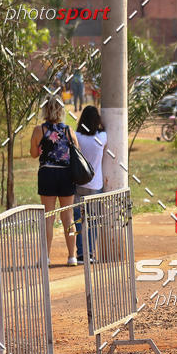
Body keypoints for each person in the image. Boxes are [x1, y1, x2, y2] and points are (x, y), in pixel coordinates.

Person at [30, 97, 79, 265]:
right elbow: (77, 152)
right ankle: (72, 256)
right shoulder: (68, 131)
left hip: (47, 174)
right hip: (66, 175)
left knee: (48, 217)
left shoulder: (39, 130)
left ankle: (45, 257)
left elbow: (34, 153)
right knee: (68, 216)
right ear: (61, 111)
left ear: (45, 110)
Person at [73, 105, 107, 263]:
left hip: (78, 183)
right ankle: (91, 253)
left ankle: (80, 253)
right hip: (95, 185)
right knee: (93, 220)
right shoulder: (102, 137)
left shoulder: (77, 136)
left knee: (79, 220)